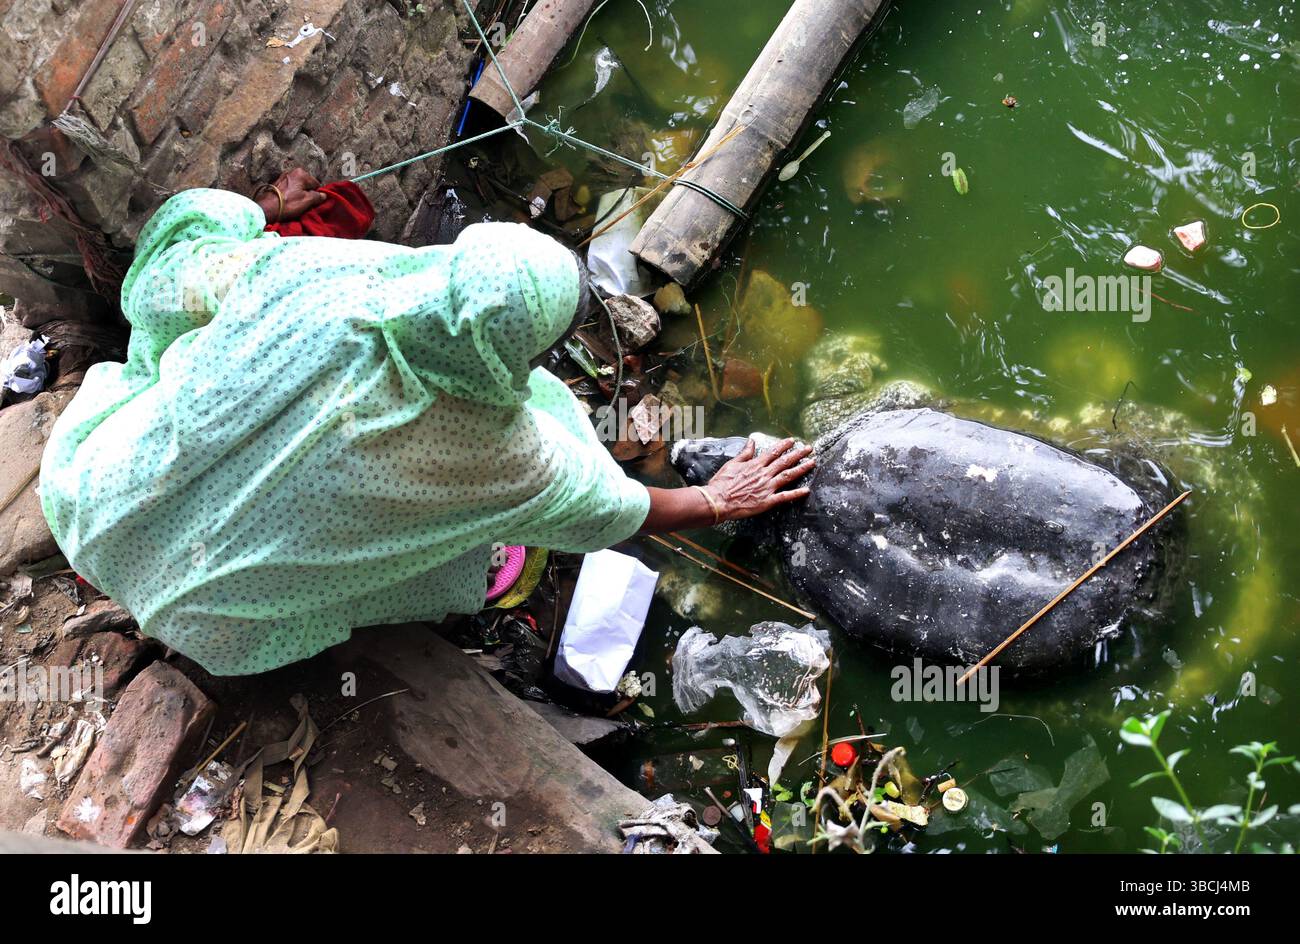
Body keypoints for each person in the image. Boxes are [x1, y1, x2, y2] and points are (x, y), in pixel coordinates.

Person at [39, 170, 813, 676]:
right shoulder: (508, 457)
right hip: (215, 625)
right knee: (464, 557)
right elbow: (614, 510)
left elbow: (169, 267)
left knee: (178, 350)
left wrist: (268, 208)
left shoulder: (303, 277)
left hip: (90, 500)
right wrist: (719, 499)